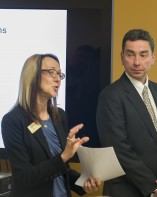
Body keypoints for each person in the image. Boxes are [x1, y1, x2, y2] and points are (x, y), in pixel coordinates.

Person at [96, 29, 157, 197]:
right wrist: (154, 187)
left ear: (153, 58)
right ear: (122, 57)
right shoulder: (110, 96)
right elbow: (119, 149)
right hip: (126, 191)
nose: (137, 62)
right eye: (130, 55)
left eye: (143, 55)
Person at [1, 54, 101, 197]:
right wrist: (64, 156)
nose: (57, 79)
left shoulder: (59, 116)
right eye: (51, 72)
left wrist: (83, 183)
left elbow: (61, 170)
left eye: (60, 74)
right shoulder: (12, 121)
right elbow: (24, 177)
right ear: (32, 75)